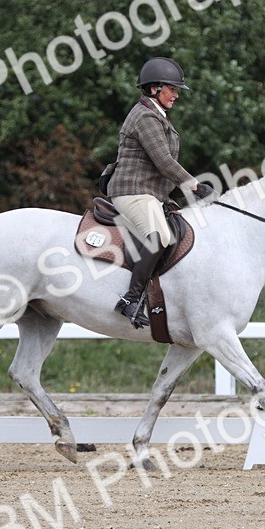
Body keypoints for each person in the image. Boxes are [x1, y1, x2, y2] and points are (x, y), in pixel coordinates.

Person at [102, 57, 214, 328]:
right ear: (155, 89)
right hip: (132, 191)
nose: (176, 94)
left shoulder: (156, 115)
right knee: (160, 236)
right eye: (172, 89)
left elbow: (157, 167)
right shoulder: (145, 116)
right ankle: (129, 300)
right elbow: (164, 162)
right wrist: (194, 186)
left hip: (149, 192)